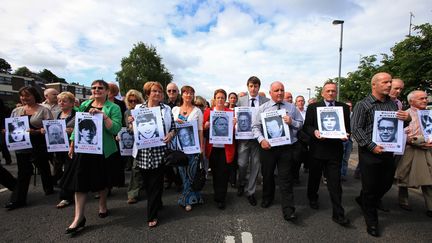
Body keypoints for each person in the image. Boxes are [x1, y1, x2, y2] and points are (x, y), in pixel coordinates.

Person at [351, 72, 411, 237]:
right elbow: (356, 128)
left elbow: (399, 124)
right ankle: (371, 220)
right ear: (374, 85)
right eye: (385, 82)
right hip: (370, 153)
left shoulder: (393, 104)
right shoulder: (363, 105)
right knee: (370, 187)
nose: (389, 85)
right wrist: (371, 146)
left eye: (390, 82)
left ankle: (363, 198)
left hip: (388, 152)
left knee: (385, 183)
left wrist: (407, 118)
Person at [63, 80, 122, 234]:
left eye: (100, 88)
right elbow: (77, 126)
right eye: (94, 88)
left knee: (101, 180)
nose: (96, 90)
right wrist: (72, 143)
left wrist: (103, 116)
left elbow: (115, 129)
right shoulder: (84, 106)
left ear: (107, 91)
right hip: (84, 150)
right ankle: (78, 218)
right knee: (79, 182)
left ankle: (102, 204)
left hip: (103, 151)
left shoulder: (113, 108)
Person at [252, 81, 303, 222]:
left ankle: (288, 209)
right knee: (267, 175)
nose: (280, 93)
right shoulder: (263, 108)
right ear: (270, 93)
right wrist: (261, 140)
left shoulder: (291, 108)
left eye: (282, 90)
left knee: (286, 178)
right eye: (276, 90)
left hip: (287, 148)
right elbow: (255, 127)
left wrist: (291, 122)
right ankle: (268, 197)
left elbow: (300, 124)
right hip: (268, 149)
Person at [303, 81, 351, 227]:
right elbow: (307, 126)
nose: (331, 93)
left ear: (336, 93)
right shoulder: (313, 107)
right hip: (317, 150)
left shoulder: (343, 108)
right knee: (314, 178)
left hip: (334, 151)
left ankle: (338, 213)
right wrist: (315, 132)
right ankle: (312, 197)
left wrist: (346, 135)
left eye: (333, 91)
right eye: (328, 91)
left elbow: (347, 128)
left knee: (335, 183)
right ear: (322, 93)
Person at [129, 81, 176, 227]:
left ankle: (152, 214)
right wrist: (130, 123)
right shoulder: (138, 108)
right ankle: (157, 202)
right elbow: (132, 129)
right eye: (154, 91)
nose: (158, 94)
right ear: (148, 93)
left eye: (160, 92)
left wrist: (171, 134)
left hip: (159, 151)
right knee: (148, 184)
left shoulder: (166, 109)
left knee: (156, 183)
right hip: (143, 152)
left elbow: (174, 127)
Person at [5, 86, 54, 211]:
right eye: (22, 95)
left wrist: (37, 131)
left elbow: (51, 127)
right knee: (23, 171)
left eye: (27, 95)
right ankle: (18, 199)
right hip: (21, 144)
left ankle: (48, 187)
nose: (24, 98)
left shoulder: (44, 110)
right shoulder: (16, 111)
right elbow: (12, 127)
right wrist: (8, 131)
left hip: (38, 143)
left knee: (43, 166)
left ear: (34, 96)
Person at [395, 90, 432, 216]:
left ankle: (430, 207)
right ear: (411, 101)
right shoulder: (404, 114)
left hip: (428, 150)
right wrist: (412, 140)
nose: (425, 100)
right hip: (409, 150)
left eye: (425, 98)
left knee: (429, 178)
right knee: (404, 176)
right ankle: (403, 200)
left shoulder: (430, 114)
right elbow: (400, 134)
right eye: (421, 98)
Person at [236, 76, 270, 206]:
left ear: (259, 87)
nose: (253, 88)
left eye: (256, 86)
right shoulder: (240, 101)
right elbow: (235, 116)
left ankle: (250, 192)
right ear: (248, 86)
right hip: (244, 139)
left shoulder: (266, 101)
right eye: (251, 86)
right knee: (242, 164)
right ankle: (241, 182)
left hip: (258, 139)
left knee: (256, 166)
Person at [172, 85, 204, 212]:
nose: (188, 95)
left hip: (193, 147)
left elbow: (200, 130)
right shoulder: (175, 110)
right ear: (182, 95)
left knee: (191, 174)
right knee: (182, 173)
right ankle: (191, 196)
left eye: (191, 93)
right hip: (179, 147)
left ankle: (187, 200)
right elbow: (170, 127)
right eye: (186, 93)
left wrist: (201, 147)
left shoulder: (197, 111)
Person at [203, 89, 236, 210]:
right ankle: (217, 194)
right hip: (212, 149)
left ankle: (221, 198)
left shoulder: (230, 113)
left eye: (222, 98)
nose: (220, 100)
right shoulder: (208, 112)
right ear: (214, 99)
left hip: (226, 149)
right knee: (216, 174)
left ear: (225, 99)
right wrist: (205, 126)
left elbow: (235, 133)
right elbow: (202, 128)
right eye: (218, 98)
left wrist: (234, 124)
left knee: (224, 174)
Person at [51, 91, 76, 209]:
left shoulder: (77, 114)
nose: (61, 103)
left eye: (64, 101)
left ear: (72, 103)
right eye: (59, 101)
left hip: (73, 146)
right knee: (59, 169)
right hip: (59, 146)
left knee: (68, 170)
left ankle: (66, 197)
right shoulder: (57, 114)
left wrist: (73, 131)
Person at [123, 89, 145, 204]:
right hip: (137, 144)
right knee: (135, 168)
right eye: (130, 101)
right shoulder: (127, 113)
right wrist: (131, 125)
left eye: (135, 101)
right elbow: (129, 131)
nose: (133, 103)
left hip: (149, 142)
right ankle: (132, 194)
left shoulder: (145, 109)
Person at [0, 98, 12, 165]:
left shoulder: (6, 109)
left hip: (3, 129)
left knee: (3, 144)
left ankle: (8, 158)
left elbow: (8, 119)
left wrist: (5, 127)